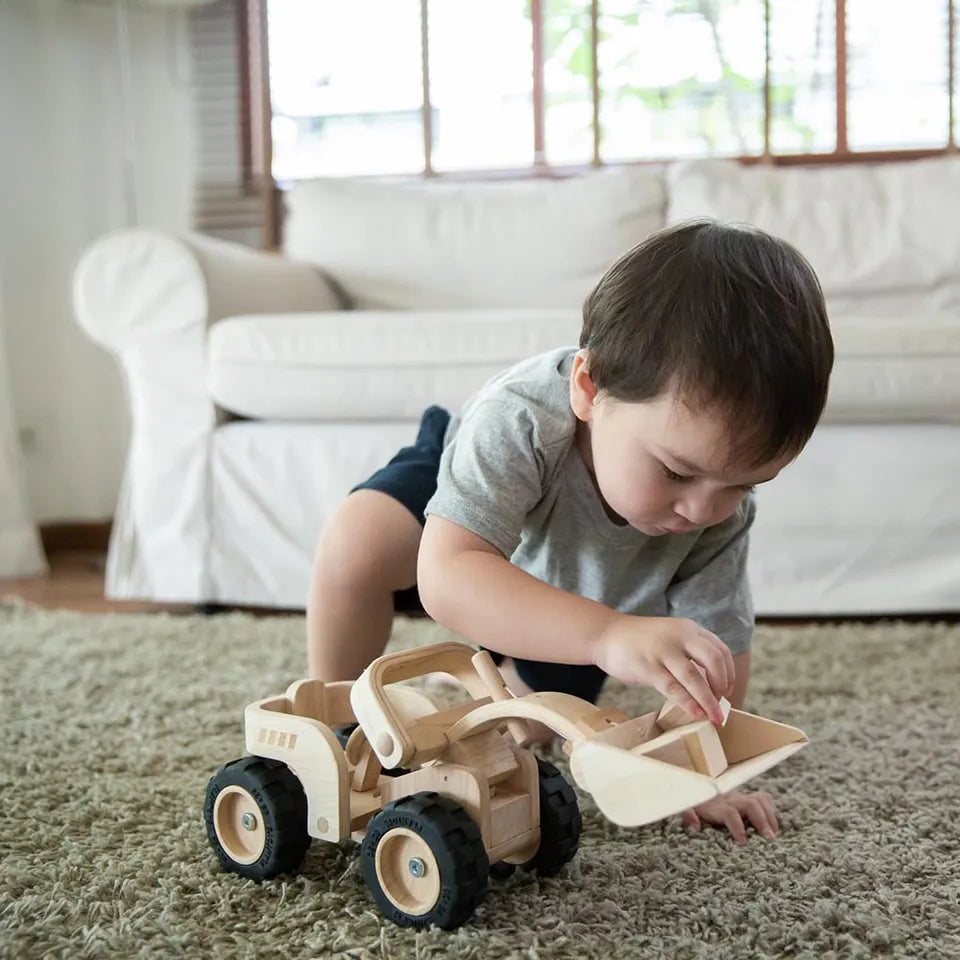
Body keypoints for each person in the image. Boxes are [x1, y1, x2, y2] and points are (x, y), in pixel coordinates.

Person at [306, 219, 834, 843]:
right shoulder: (520, 420)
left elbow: (717, 656)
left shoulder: (716, 510)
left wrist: (705, 774)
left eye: (745, 484)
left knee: (523, 731)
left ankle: (495, 682)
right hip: (471, 517)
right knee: (356, 541)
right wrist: (609, 635)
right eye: (675, 471)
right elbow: (447, 577)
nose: (702, 510)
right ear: (589, 387)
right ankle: (338, 720)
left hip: (583, 589)